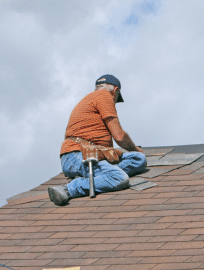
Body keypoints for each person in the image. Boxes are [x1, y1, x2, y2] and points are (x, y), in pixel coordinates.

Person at [48, 75, 147, 206]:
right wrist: (135, 148)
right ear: (115, 90)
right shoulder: (104, 96)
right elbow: (119, 136)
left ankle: (99, 177)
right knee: (119, 178)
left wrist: (136, 153)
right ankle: (68, 189)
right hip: (78, 154)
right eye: (116, 98)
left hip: (90, 154)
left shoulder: (90, 99)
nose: (114, 102)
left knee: (138, 159)